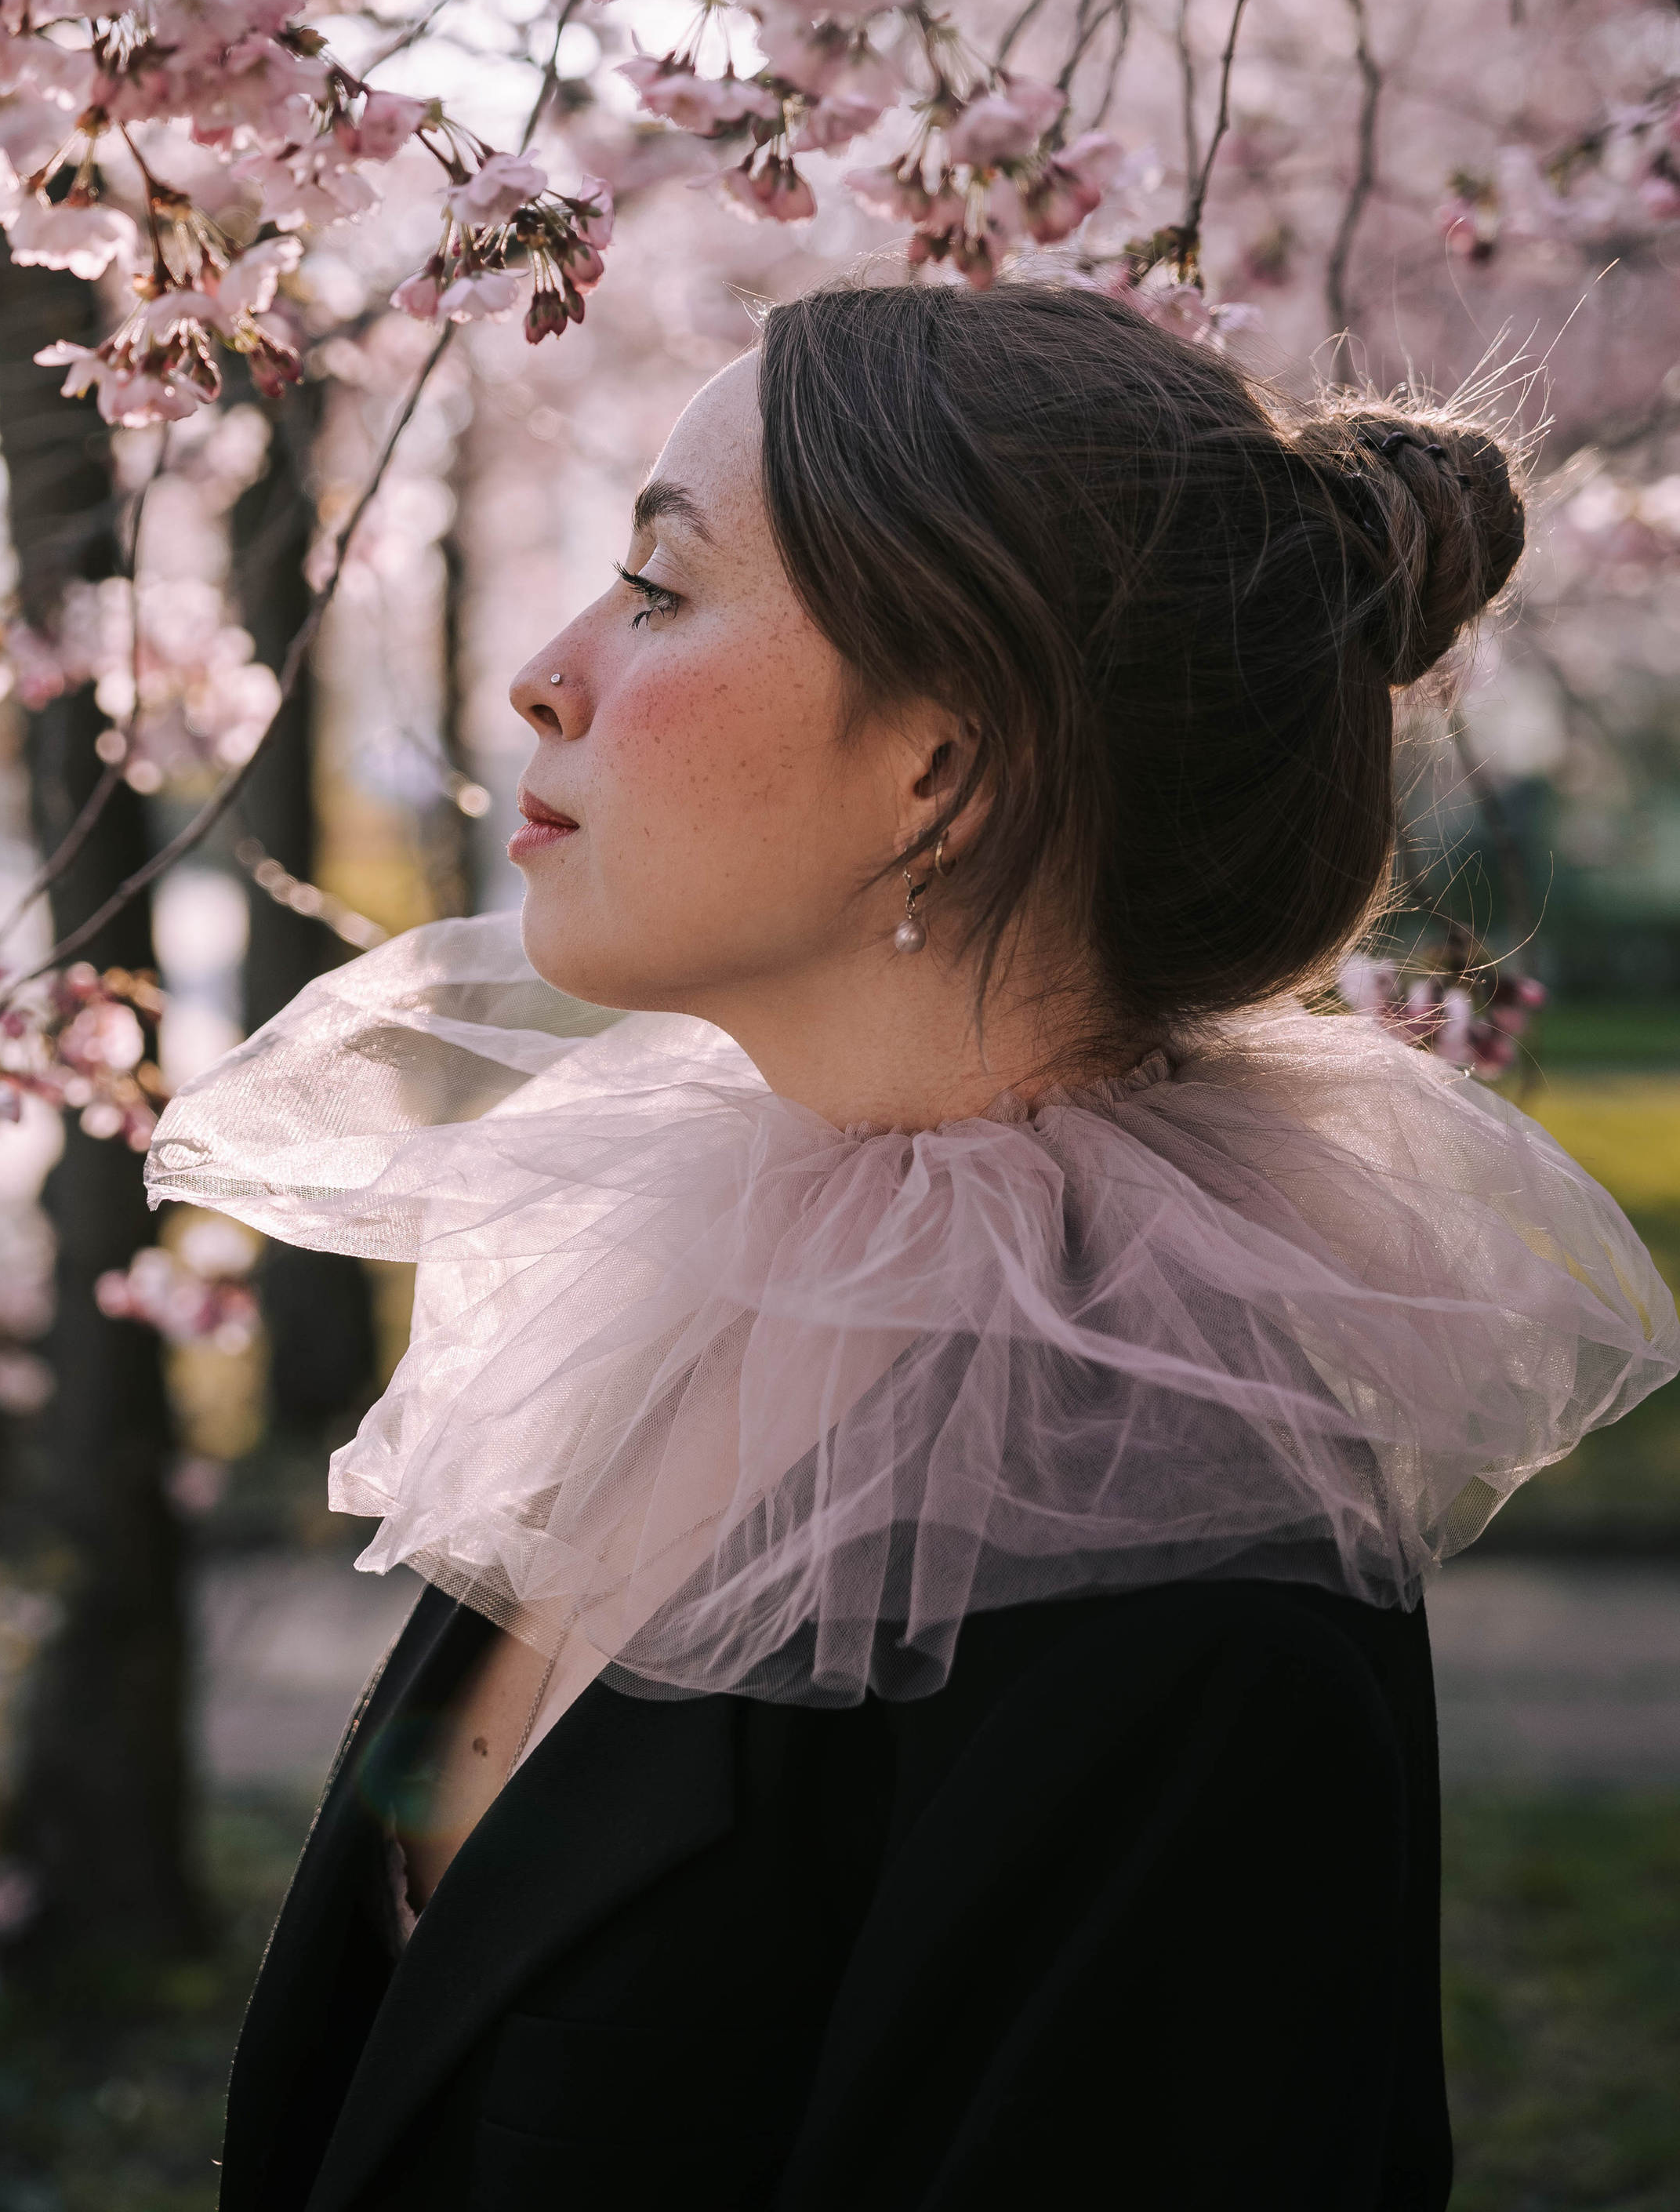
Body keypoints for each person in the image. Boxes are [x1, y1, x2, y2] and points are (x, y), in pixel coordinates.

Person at [151, 280, 1678, 2212]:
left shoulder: (1181, 1621)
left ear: (944, 768)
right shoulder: (701, 1291)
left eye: (656, 588)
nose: (546, 676)